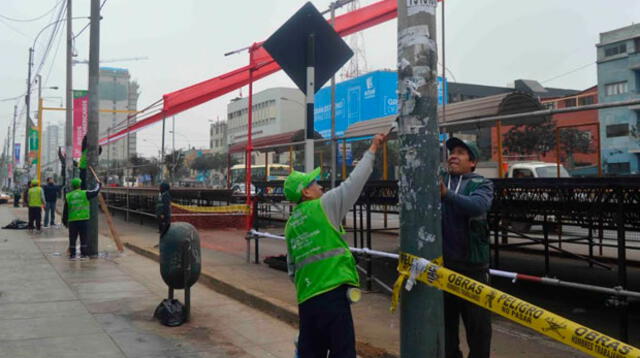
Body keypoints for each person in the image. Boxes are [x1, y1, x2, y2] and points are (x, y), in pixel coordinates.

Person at [284, 133, 387, 358]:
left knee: (311, 353)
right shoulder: (325, 205)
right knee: (343, 352)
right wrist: (372, 149)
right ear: (306, 192)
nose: (320, 186)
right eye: (314, 183)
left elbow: (292, 269)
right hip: (332, 296)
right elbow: (353, 183)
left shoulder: (291, 225)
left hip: (307, 299)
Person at [440, 137, 494, 358]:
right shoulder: (440, 180)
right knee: (445, 329)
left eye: (460, 152)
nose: (453, 155)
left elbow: (478, 206)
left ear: (472, 162)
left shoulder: (481, 184)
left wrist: (447, 195)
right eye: (452, 152)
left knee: (478, 330)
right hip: (444, 267)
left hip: (473, 270)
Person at [62, 177, 102, 259]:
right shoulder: (85, 193)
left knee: (72, 238)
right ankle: (83, 254)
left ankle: (72, 255)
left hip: (72, 220)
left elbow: (65, 210)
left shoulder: (68, 196)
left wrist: (64, 221)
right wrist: (99, 185)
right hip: (83, 219)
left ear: (72, 186)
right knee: (83, 237)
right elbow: (95, 192)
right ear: (80, 185)